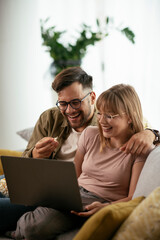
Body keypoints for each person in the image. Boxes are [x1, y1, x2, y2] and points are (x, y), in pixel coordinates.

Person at [0, 67, 158, 236]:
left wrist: (151, 134)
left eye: (75, 102)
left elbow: (141, 127)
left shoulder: (108, 129)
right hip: (49, 189)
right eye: (63, 103)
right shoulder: (52, 119)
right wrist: (35, 155)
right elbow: (27, 166)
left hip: (71, 197)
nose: (69, 110)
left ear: (92, 98)